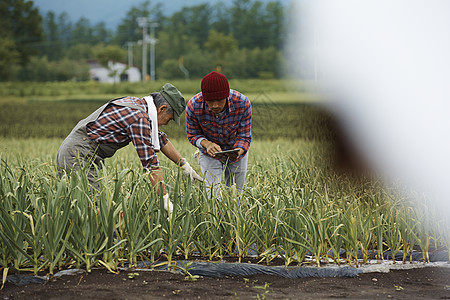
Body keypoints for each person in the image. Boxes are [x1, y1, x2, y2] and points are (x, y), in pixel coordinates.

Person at [57, 83, 202, 215]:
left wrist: (184, 165)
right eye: (169, 119)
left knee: (89, 207)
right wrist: (165, 200)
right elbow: (151, 165)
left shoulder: (139, 106)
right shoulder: (138, 118)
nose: (166, 123)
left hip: (78, 151)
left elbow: (160, 138)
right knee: (95, 208)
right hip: (77, 155)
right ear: (162, 109)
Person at [185, 71, 252, 199]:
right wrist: (207, 144)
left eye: (219, 100)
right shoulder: (193, 105)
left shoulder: (242, 103)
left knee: (235, 196)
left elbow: (244, 136)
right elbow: (192, 135)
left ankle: (233, 218)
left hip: (236, 152)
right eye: (210, 101)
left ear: (226, 96)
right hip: (209, 153)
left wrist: (238, 150)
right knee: (213, 197)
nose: (215, 105)